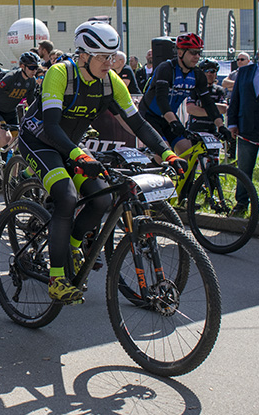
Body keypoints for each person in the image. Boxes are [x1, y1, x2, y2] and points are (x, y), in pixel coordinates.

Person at [19, 21, 186, 303]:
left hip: (70, 146)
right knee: (66, 196)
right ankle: (57, 278)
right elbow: (50, 127)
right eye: (102, 57)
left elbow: (139, 124)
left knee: (100, 200)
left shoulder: (110, 81)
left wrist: (167, 152)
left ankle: (73, 244)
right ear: (83, 55)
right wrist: (79, 155)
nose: (109, 63)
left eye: (112, 57)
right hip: (39, 141)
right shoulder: (60, 74)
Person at [139, 33, 232, 155]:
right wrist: (174, 122)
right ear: (180, 52)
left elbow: (208, 103)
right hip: (149, 116)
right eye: (193, 52)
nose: (197, 56)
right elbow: (162, 99)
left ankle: (181, 174)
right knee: (164, 153)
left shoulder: (197, 74)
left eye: (199, 53)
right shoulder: (166, 68)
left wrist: (221, 125)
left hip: (169, 117)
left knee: (187, 150)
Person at [227, 42, 259, 219]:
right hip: (246, 128)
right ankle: (241, 204)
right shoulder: (245, 72)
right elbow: (236, 99)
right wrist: (232, 123)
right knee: (244, 169)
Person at [0, 52, 39, 171]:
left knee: (16, 145)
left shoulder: (31, 81)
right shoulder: (11, 77)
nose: (34, 71)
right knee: (5, 138)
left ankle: (12, 177)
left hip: (11, 112)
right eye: (31, 67)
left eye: (36, 68)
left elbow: (31, 102)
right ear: (22, 66)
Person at [186, 59, 227, 134]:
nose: (209, 73)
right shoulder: (194, 88)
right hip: (194, 131)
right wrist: (213, 111)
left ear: (216, 74)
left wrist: (202, 106)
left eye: (212, 71)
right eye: (205, 71)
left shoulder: (219, 90)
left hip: (212, 132)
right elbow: (190, 109)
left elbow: (223, 109)